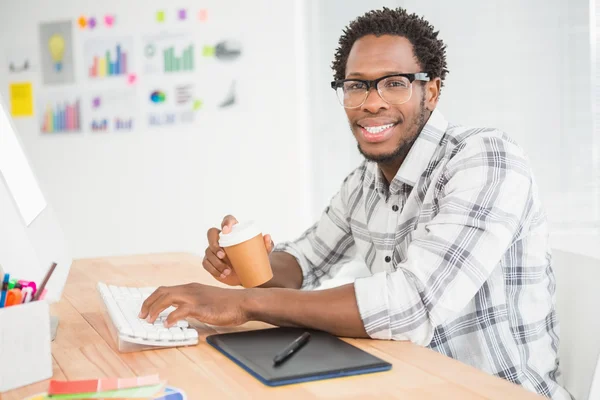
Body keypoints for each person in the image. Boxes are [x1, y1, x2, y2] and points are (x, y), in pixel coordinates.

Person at [139, 7, 570, 399]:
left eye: (395, 84)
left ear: (433, 92)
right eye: (356, 86)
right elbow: (303, 264)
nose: (372, 102)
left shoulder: (485, 159)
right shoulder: (363, 183)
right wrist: (248, 267)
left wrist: (245, 303)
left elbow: (410, 305)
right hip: (405, 382)